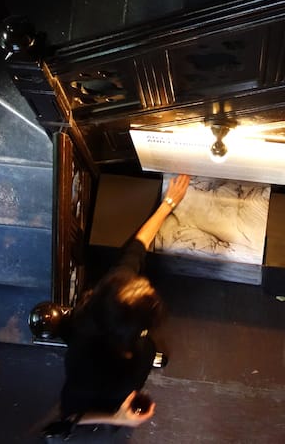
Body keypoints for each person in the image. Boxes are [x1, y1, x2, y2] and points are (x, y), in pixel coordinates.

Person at [52, 173, 190, 432]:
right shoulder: (89, 365)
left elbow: (136, 248)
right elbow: (70, 414)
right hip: (115, 388)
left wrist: (168, 203)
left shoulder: (115, 288)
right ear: (136, 330)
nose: (147, 284)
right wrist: (118, 419)